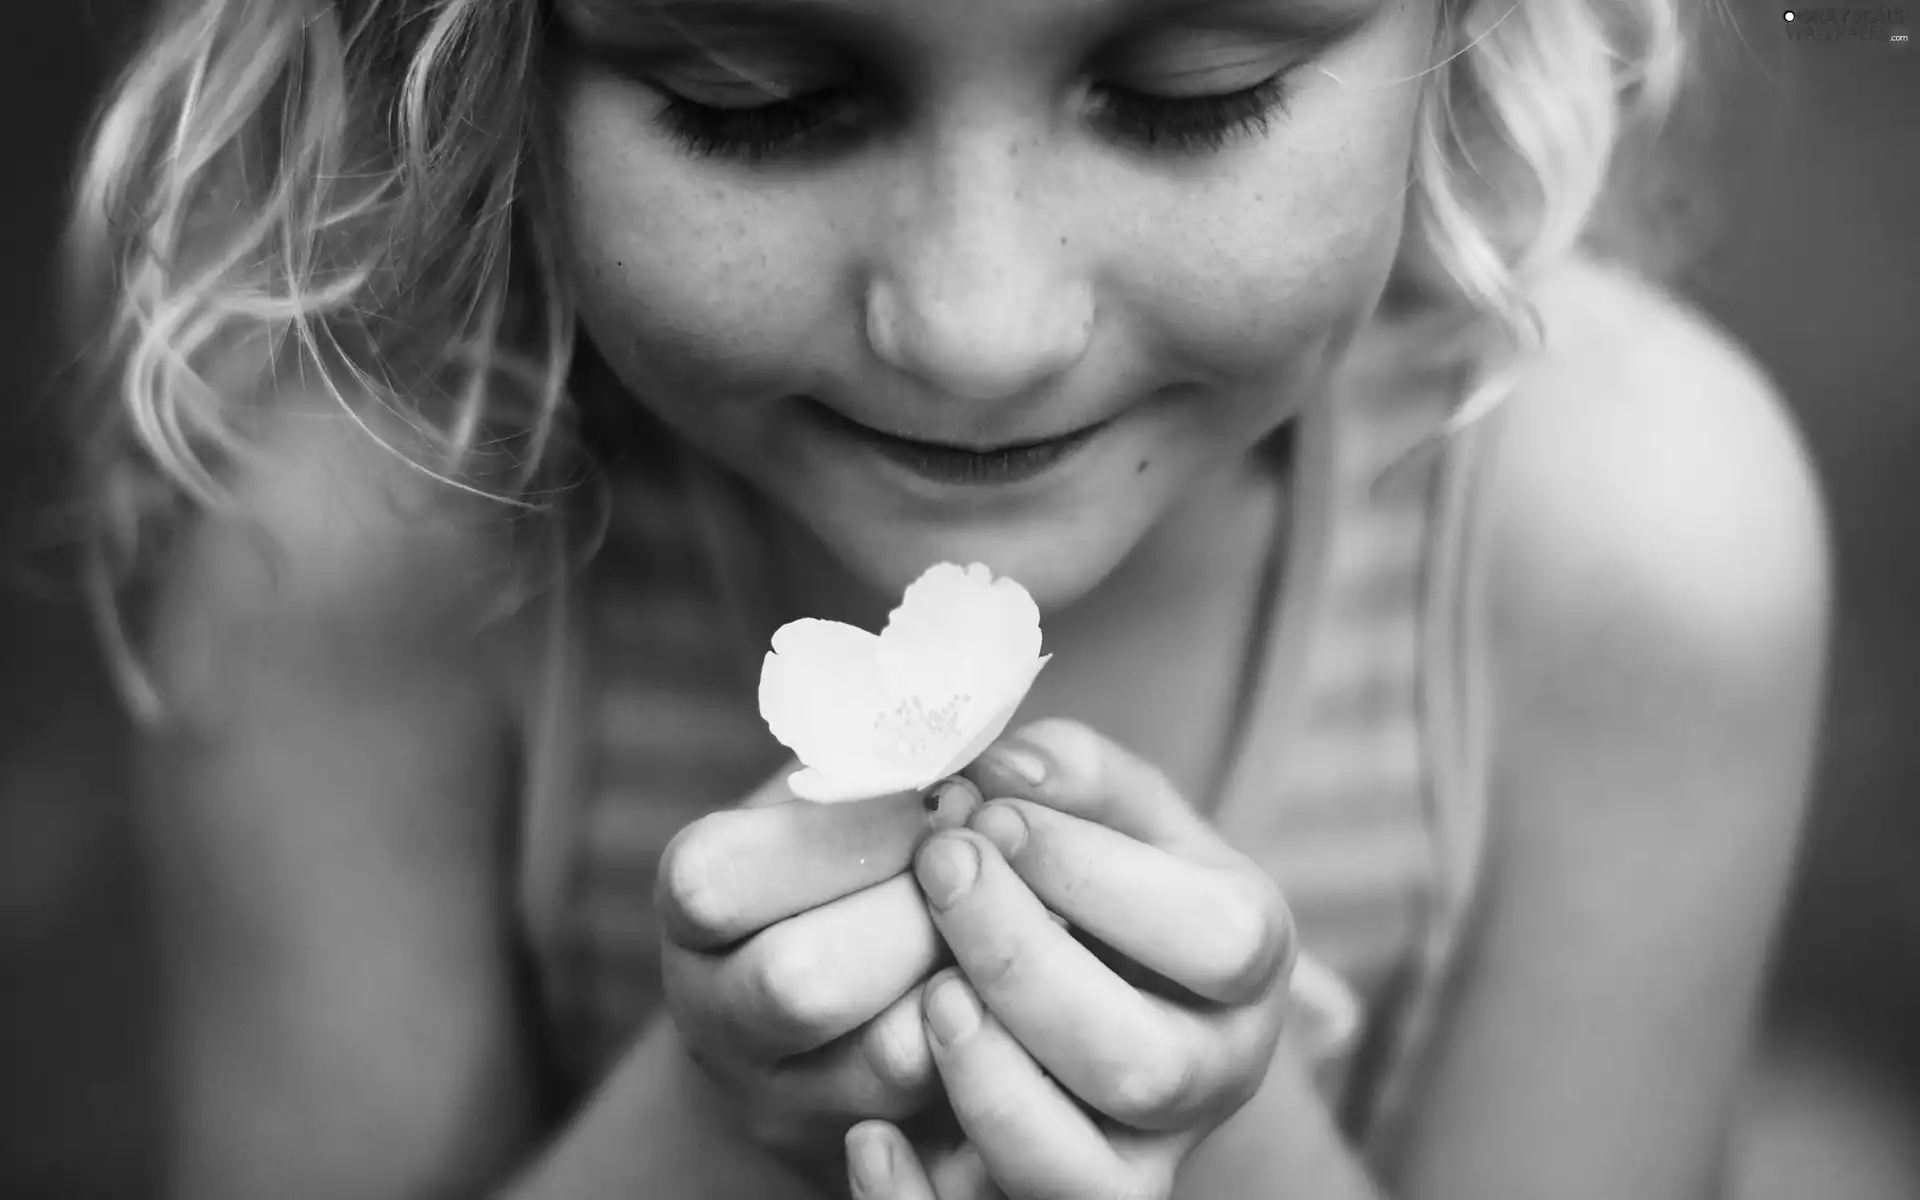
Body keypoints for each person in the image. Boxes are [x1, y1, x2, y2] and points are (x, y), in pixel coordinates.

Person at [61, 0, 1831, 1197]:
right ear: (481, 55)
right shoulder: (356, 548)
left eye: (1192, 94)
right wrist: (715, 1112)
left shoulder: (1635, 546)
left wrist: (1227, 1139)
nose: (979, 327)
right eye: (751, 101)